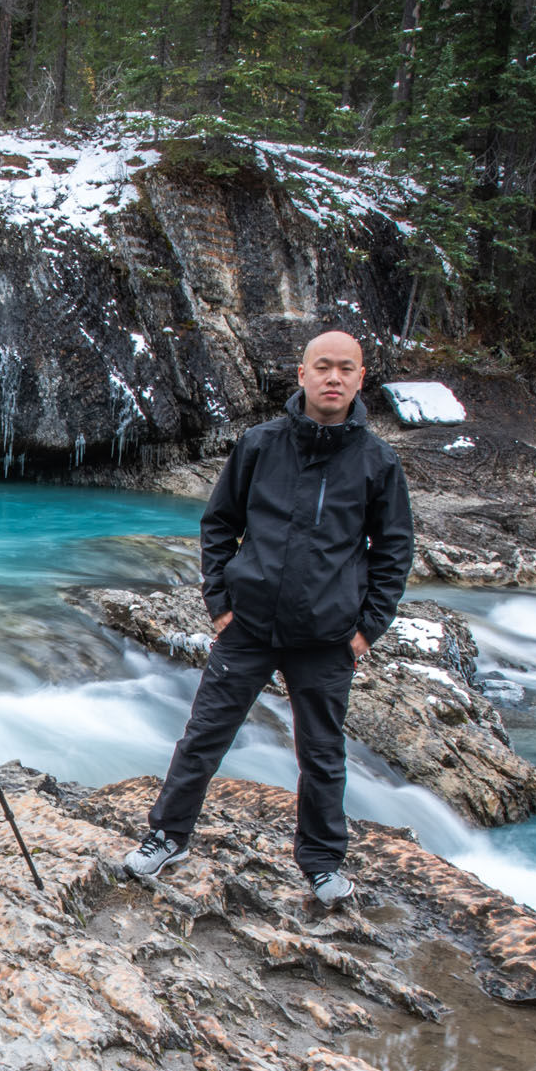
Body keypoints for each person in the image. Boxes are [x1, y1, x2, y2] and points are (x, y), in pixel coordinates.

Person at [122, 329, 414, 907]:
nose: (334, 378)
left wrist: (365, 630)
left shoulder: (378, 461)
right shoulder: (259, 444)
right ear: (301, 375)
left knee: (323, 754)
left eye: (346, 369)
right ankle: (167, 835)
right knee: (203, 739)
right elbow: (218, 524)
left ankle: (322, 863)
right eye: (323, 367)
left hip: (327, 638)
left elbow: (394, 550)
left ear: (360, 380)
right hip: (249, 628)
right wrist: (220, 605)